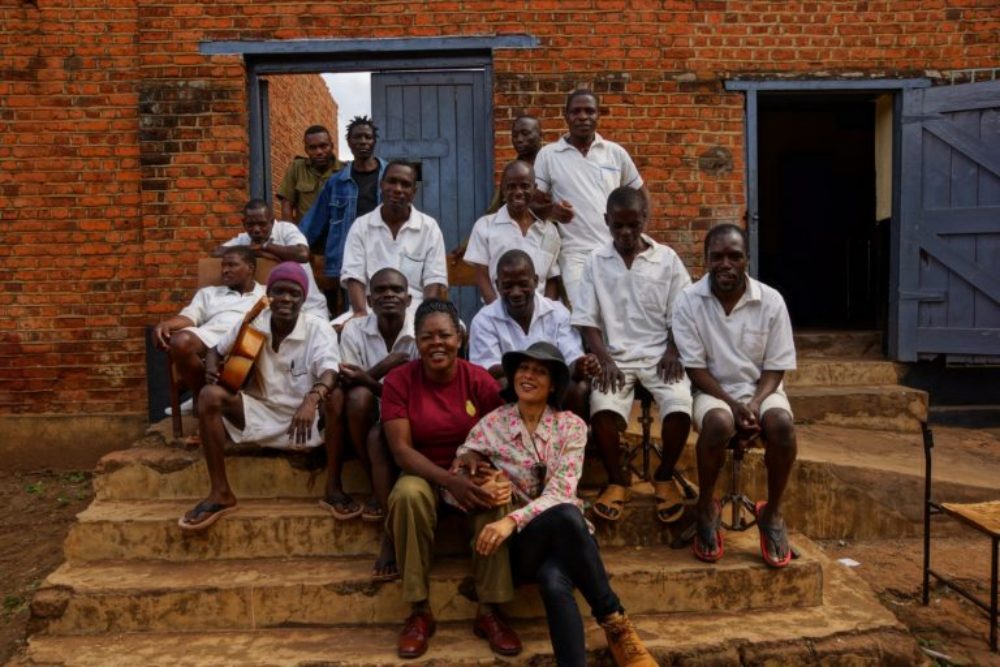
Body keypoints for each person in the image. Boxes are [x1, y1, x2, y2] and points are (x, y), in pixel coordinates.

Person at [457, 342, 657, 667]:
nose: (528, 375)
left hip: (566, 538)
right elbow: (462, 460)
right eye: (523, 369)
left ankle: (603, 640)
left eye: (540, 371)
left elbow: (562, 491)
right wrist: (479, 475)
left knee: (554, 578)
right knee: (566, 516)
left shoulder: (572, 427)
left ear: (553, 386)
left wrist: (510, 520)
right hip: (523, 548)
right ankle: (616, 622)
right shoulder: (494, 424)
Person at [381, 299, 520, 659]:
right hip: (423, 472)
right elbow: (401, 451)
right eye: (427, 337)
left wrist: (476, 470)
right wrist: (448, 480)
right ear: (417, 341)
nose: (436, 343)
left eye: (445, 335)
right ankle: (419, 610)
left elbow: (502, 437)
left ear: (459, 338)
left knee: (496, 494)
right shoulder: (400, 381)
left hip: (469, 471)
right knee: (408, 495)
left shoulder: (478, 380)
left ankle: (489, 610)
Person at [178, 262, 340, 531]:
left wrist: (311, 400)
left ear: (303, 299)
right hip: (260, 411)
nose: (286, 299)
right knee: (209, 395)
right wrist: (210, 370)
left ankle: (334, 488)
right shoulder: (255, 321)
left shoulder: (318, 328)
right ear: (269, 295)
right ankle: (221, 493)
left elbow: (330, 371)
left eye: (294, 293)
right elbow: (215, 350)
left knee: (336, 397)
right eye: (279, 292)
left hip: (306, 419)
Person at [671, 223, 798, 568]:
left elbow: (776, 367)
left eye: (734, 256)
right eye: (717, 257)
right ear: (706, 260)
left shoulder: (771, 301)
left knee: (782, 425)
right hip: (713, 390)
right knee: (717, 424)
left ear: (747, 260)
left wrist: (754, 404)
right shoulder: (689, 301)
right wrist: (733, 404)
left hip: (762, 389)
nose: (725, 263)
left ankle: (771, 514)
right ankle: (705, 510)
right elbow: (695, 369)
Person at [571, 187, 695, 524]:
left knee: (680, 403)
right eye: (618, 226)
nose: (626, 233)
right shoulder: (596, 261)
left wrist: (672, 349)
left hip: (660, 356)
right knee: (601, 408)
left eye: (633, 225)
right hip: (616, 357)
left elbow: (684, 314)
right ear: (606, 221)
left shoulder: (667, 259)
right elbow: (587, 321)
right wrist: (605, 359)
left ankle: (665, 477)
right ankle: (617, 480)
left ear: (645, 219)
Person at [322, 268, 417, 571]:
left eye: (396, 290)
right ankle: (374, 485)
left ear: (409, 298)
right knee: (357, 397)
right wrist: (383, 367)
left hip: (407, 411)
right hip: (366, 410)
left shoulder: (418, 332)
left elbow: (416, 393)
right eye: (381, 291)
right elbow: (348, 380)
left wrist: (367, 377)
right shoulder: (354, 329)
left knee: (365, 397)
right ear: (370, 300)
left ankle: (382, 497)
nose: (389, 295)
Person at [534, 89, 650, 307]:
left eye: (590, 111)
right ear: (566, 115)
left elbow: (641, 193)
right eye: (576, 111)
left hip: (615, 248)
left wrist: (639, 234)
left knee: (619, 309)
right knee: (584, 313)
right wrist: (552, 211)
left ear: (598, 115)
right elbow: (534, 203)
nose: (583, 117)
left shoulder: (614, 153)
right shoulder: (549, 155)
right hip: (574, 253)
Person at [469, 250, 598, 419]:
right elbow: (487, 370)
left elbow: (572, 359)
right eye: (507, 286)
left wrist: (582, 364)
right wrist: (535, 374)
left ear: (536, 281)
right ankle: (509, 442)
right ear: (497, 285)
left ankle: (573, 443)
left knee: (579, 388)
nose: (516, 292)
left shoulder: (557, 313)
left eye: (523, 284)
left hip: (553, 388)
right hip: (513, 388)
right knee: (500, 385)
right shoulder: (484, 319)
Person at [152, 247, 265, 421]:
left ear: (250, 268)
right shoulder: (209, 293)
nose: (225, 270)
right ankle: (201, 395)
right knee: (180, 341)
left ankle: (209, 401)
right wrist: (166, 324)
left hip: (248, 343)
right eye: (223, 266)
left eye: (232, 265)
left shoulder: (267, 293)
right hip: (210, 337)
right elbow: (189, 317)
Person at [300, 116, 388, 315]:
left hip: (383, 255)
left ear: (374, 141)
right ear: (348, 142)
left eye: (368, 137)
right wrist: (291, 245)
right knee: (348, 315)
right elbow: (314, 222)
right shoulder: (336, 181)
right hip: (345, 259)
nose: (363, 141)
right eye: (357, 137)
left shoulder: (389, 176)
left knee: (383, 311)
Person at [340, 160, 448, 320]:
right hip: (370, 309)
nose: (397, 189)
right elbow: (354, 276)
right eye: (392, 182)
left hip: (415, 310)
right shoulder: (361, 226)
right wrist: (360, 314)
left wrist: (425, 317)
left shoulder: (429, 228)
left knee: (452, 332)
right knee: (332, 334)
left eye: (405, 184)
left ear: (414, 192)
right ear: (381, 185)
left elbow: (434, 279)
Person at [213, 198, 329, 319]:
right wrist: (258, 251)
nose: (256, 230)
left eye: (262, 224)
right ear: (244, 223)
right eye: (250, 225)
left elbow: (302, 254)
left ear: (272, 221)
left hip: (309, 308)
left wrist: (265, 246)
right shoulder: (244, 239)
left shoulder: (286, 230)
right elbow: (218, 252)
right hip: (274, 313)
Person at [464, 161, 562, 303]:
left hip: (540, 315)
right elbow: (482, 276)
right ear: (503, 190)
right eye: (511, 187)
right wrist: (497, 312)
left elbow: (552, 278)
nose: (518, 192)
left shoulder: (549, 231)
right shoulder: (485, 226)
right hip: (498, 311)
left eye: (525, 186)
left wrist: (545, 313)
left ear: (534, 189)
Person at [276, 125, 339, 223]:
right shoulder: (297, 168)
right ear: (306, 150)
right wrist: (290, 234)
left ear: (331, 146)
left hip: (335, 234)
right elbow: (287, 204)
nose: (319, 152)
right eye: (312, 148)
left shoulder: (344, 170)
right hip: (305, 235)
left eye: (323, 146)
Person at [485, 115, 544, 214]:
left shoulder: (553, 166)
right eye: (515, 135)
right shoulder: (512, 170)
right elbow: (494, 210)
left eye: (525, 133)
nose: (519, 139)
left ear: (541, 135)